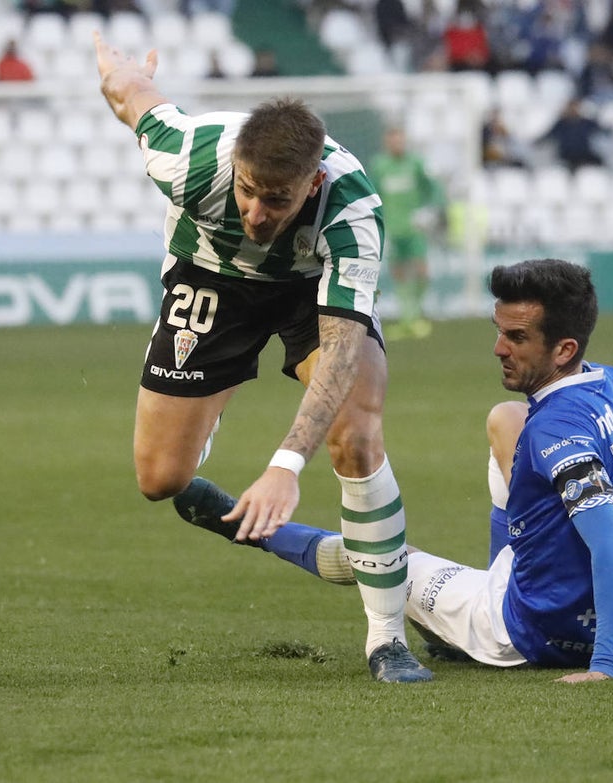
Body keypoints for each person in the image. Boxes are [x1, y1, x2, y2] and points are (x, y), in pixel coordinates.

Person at [94, 32, 431, 683]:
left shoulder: (353, 211)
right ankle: (274, 511)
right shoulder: (189, 157)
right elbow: (134, 98)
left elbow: (337, 354)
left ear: (314, 183)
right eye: (247, 191)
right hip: (209, 279)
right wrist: (123, 73)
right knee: (161, 477)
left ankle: (387, 638)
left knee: (357, 433)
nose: (254, 211)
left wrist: (285, 464)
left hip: (310, 292)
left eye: (276, 199)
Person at [178, 259, 613, 683]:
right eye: (498, 332)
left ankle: (254, 531)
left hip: (534, 629)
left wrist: (603, 667)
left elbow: (612, 548)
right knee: (506, 419)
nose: (498, 348)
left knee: (386, 558)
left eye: (516, 338)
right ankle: (502, 574)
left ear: (564, 349)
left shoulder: (558, 430)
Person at [368, 125, 445, 340]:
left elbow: (433, 188)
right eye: (392, 139)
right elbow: (373, 194)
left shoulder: (416, 163)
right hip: (393, 227)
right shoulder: (379, 166)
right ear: (386, 142)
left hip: (415, 226)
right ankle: (407, 319)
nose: (396, 143)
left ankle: (417, 314)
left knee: (421, 270)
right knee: (398, 271)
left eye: (399, 139)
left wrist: (427, 210)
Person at [538, 98, 605, 172]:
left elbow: (600, 129)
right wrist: (538, 142)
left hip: (584, 153)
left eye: (575, 107)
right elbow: (549, 135)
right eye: (571, 107)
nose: (573, 110)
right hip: (567, 154)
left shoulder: (586, 123)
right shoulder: (561, 124)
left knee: (599, 164)